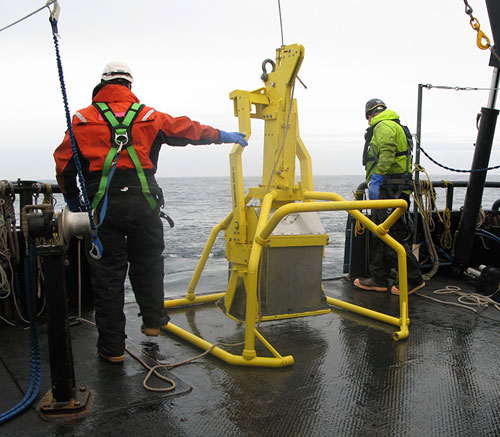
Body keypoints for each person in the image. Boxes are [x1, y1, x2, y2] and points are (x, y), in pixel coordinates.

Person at [54, 61, 248, 363]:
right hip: (143, 203)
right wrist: (223, 135)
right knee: (148, 264)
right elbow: (189, 131)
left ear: (102, 85)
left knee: (108, 280)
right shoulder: (148, 116)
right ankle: (154, 322)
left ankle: (112, 351)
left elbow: (64, 165)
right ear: (129, 86)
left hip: (103, 210)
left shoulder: (81, 119)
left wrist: (74, 201)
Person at [353, 98, 425, 296]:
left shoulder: (383, 125)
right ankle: (379, 278)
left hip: (389, 190)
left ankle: (413, 278)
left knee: (390, 236)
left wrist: (377, 178)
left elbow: (387, 152)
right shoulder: (393, 124)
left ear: (369, 115)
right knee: (380, 234)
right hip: (392, 189)